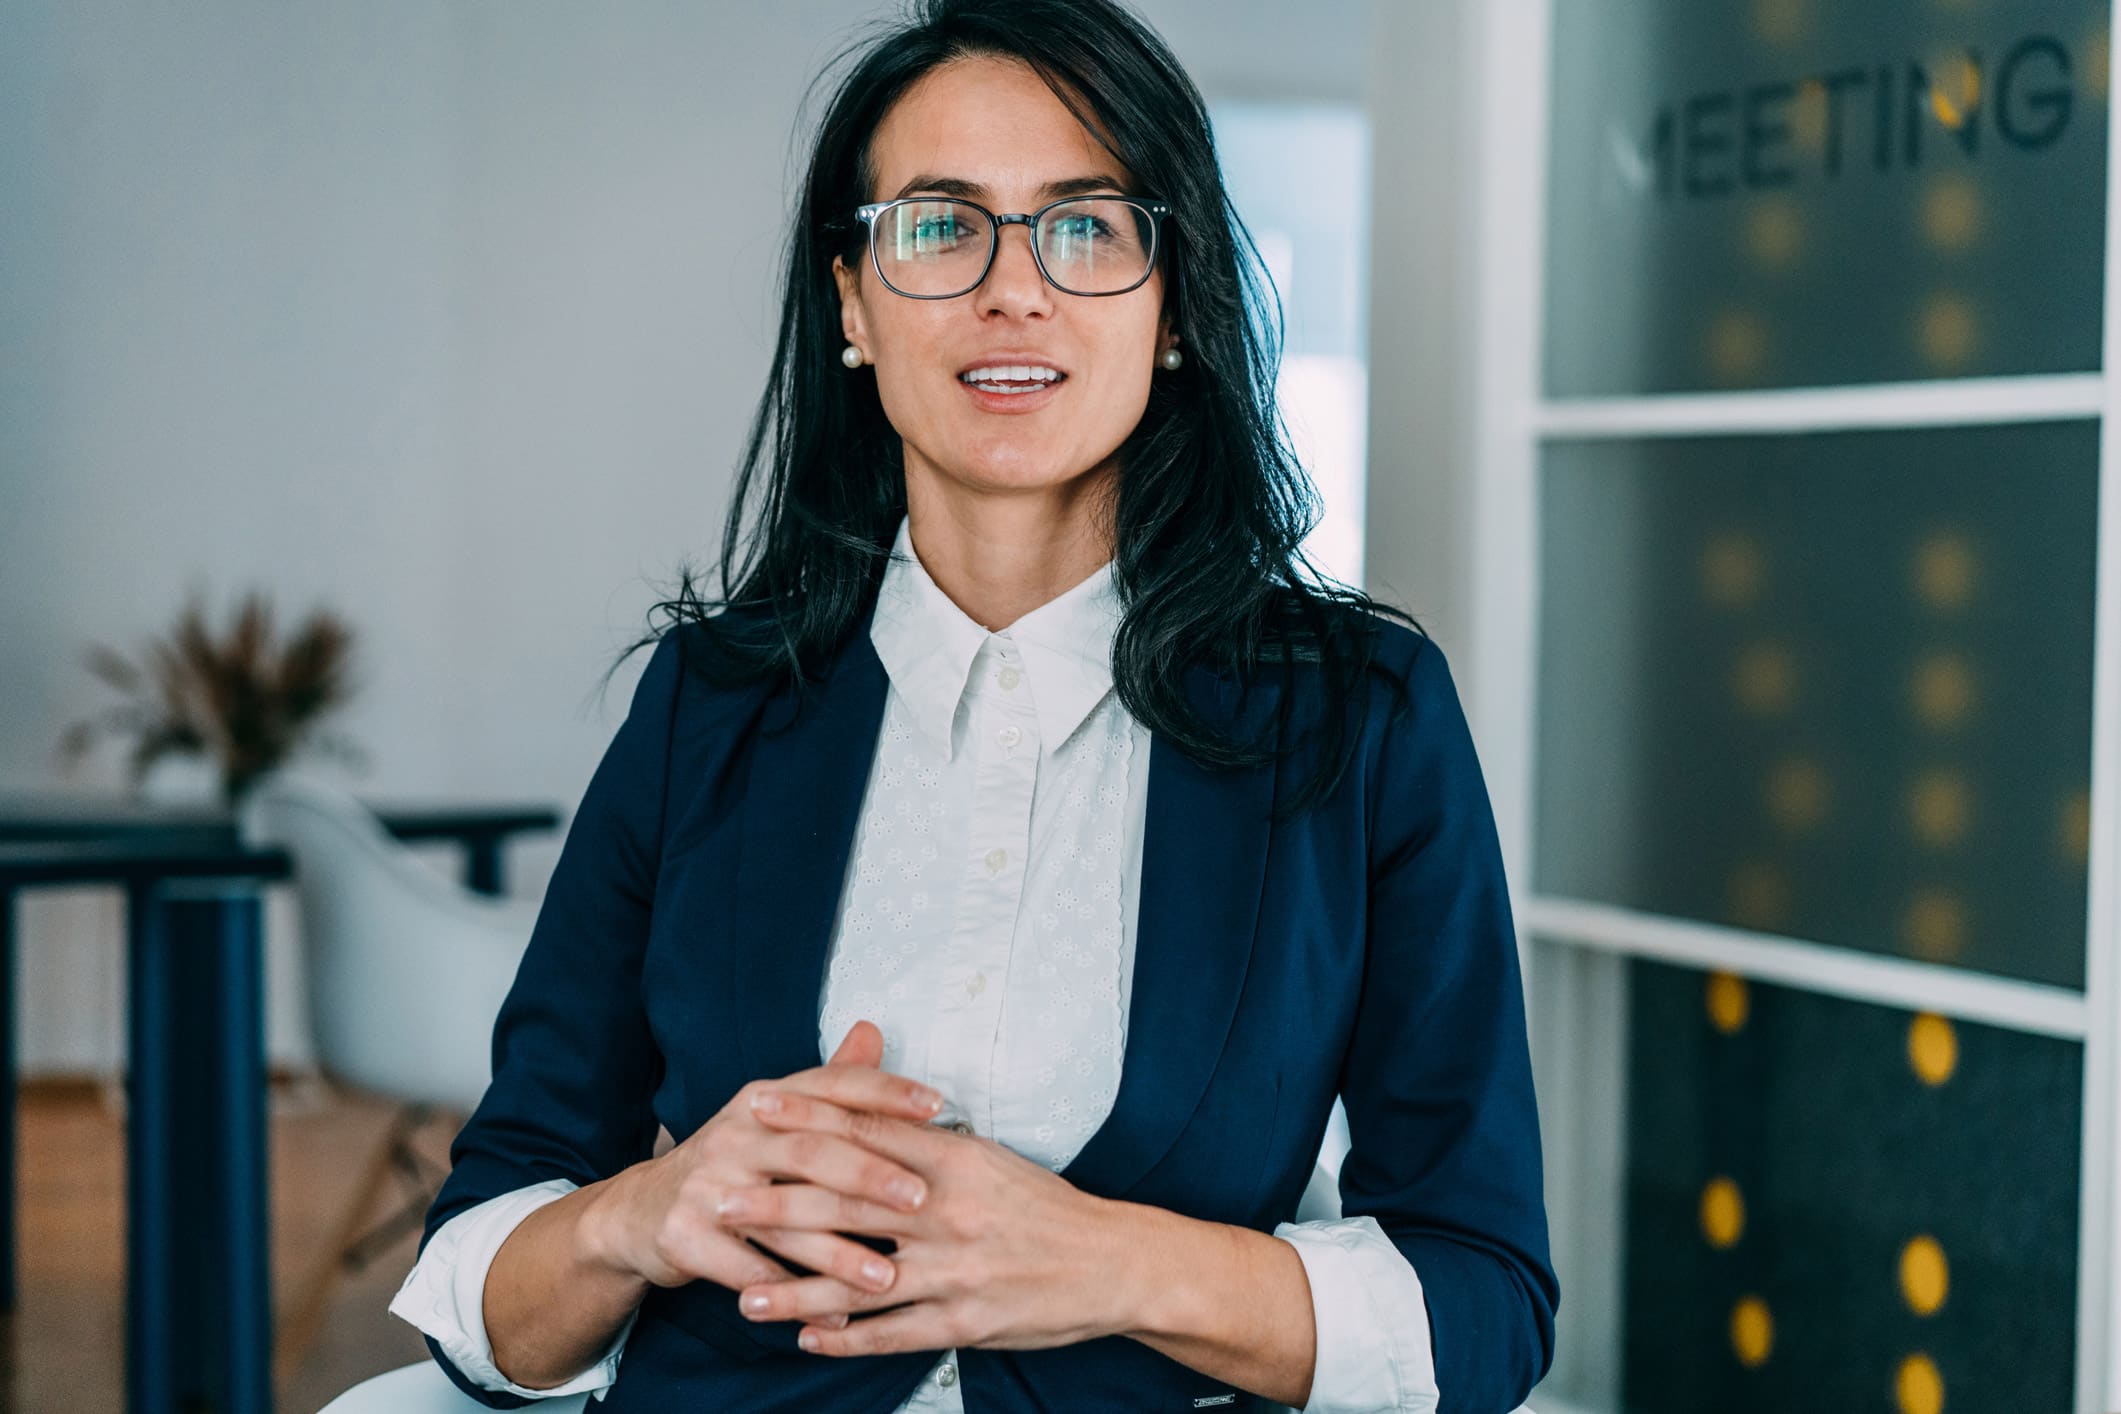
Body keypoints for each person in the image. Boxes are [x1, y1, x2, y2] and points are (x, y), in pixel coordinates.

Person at [387, 0, 1558, 1409]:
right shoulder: (709, 705)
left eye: (1086, 227)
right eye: (941, 227)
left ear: (1173, 306)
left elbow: (1484, 1302)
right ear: (852, 304)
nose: (1014, 290)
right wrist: (640, 1213)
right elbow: (479, 1287)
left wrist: (1107, 1262)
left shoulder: (1359, 719)